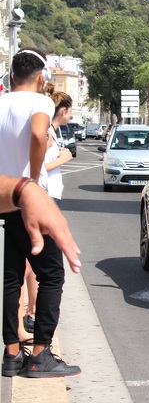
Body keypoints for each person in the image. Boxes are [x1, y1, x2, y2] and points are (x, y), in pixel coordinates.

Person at [0, 49, 81, 378]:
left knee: (10, 277)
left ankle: (10, 353)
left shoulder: (1, 101)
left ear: (11, 76)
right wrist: (34, 182)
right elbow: (37, 133)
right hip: (33, 200)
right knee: (52, 275)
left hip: (6, 199)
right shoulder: (41, 102)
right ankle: (40, 354)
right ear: (40, 78)